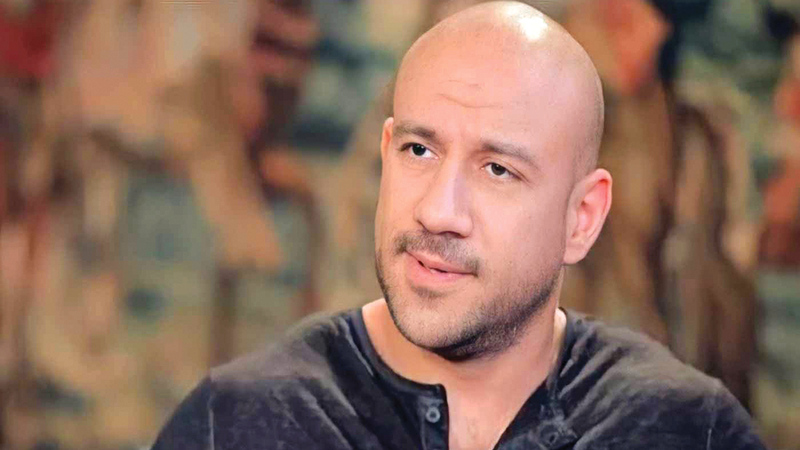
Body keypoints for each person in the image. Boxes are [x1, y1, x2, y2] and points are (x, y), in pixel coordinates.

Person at [152, 2, 766, 449]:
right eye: (419, 151)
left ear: (582, 218)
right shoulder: (236, 423)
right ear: (385, 153)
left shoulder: (686, 428)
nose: (438, 211)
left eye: (498, 169)